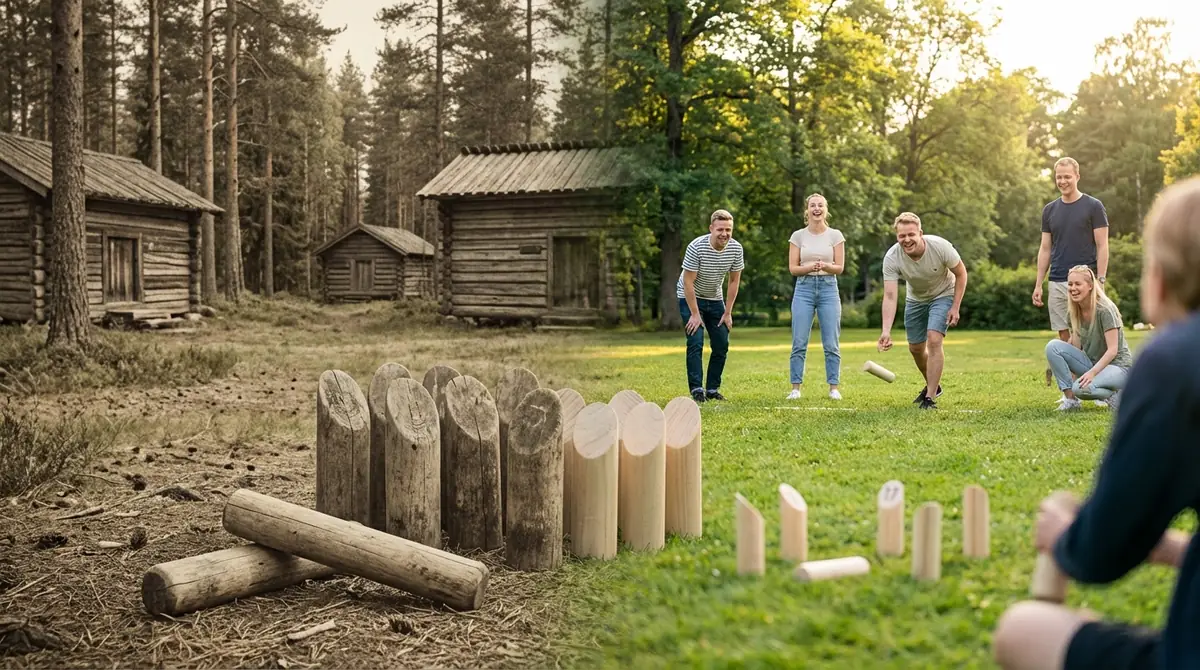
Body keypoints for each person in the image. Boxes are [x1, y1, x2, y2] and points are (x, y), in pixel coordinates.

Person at [990, 177, 1200, 670]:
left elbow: (1099, 557)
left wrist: (1066, 535)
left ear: (1160, 280)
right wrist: (1170, 550)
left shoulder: (1176, 361)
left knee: (1023, 629)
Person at [877, 212, 968, 409]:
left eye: (911, 234)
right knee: (916, 349)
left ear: (920, 233)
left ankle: (930, 397)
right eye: (902, 236)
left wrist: (955, 306)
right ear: (897, 237)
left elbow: (961, 274)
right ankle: (934, 385)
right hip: (916, 299)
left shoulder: (940, 247)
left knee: (934, 339)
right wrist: (886, 331)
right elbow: (890, 296)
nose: (907, 240)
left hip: (944, 293)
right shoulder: (892, 257)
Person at [1033, 157, 1110, 342]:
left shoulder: (1094, 206)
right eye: (1058, 177)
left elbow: (1103, 246)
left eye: (1067, 176)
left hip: (1086, 280)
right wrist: (1038, 284)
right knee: (1063, 332)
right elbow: (1045, 249)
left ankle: (1090, 368)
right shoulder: (1049, 210)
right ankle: (1071, 370)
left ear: (1077, 176)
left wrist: (1100, 279)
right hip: (1058, 279)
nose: (1062, 181)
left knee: (1088, 330)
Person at [677, 209, 744, 403]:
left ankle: (712, 389)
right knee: (696, 340)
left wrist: (728, 312)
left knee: (721, 343)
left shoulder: (736, 249)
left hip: (715, 298)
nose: (725, 234)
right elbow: (688, 282)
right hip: (689, 296)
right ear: (711, 229)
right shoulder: (696, 247)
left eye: (728, 229)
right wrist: (695, 314)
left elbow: (733, 282)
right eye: (720, 229)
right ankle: (697, 389)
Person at [1044, 265, 1133, 412]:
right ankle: (1071, 400)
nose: (1073, 288)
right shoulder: (1074, 311)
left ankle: (1117, 395)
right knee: (1053, 346)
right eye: (1070, 284)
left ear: (1090, 286)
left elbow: (1112, 350)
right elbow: (1075, 346)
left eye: (1078, 284)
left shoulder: (1105, 310)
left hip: (1118, 366)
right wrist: (1056, 361)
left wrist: (1092, 373)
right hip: (1093, 363)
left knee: (1081, 388)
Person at [787, 193, 846, 400]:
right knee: (799, 341)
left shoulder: (835, 235)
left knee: (831, 342)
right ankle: (795, 388)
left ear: (826, 210)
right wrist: (810, 267)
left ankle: (833, 388)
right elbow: (793, 268)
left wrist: (826, 266)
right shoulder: (798, 236)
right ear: (807, 210)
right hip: (804, 289)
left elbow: (839, 267)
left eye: (820, 205)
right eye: (813, 205)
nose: (817, 209)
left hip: (829, 288)